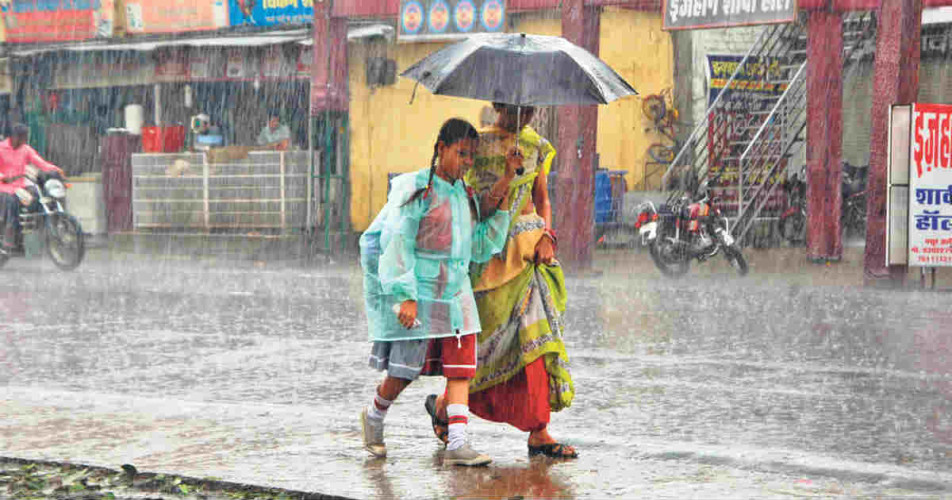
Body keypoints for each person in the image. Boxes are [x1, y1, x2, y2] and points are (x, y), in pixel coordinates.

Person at [358, 118, 521, 466]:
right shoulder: (416, 190)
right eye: (461, 153)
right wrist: (406, 295)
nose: (466, 162)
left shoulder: (464, 194)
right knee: (403, 372)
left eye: (471, 156)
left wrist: (508, 181)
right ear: (441, 148)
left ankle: (458, 443)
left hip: (456, 295)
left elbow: (477, 245)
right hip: (422, 290)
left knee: (461, 367)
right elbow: (396, 242)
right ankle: (373, 417)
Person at [424, 103, 578, 459]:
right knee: (484, 347)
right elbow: (472, 203)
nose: (523, 118)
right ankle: (446, 406)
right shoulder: (477, 147)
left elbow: (542, 198)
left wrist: (547, 236)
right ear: (497, 106)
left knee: (534, 341)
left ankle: (539, 430)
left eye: (529, 111)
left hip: (528, 259)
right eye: (515, 110)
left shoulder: (536, 146)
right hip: (487, 257)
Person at [0, 124, 64, 254]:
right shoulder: (1, 149)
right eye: (23, 137)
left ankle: (39, 225)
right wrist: (3, 177)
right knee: (11, 202)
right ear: (14, 136)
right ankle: (9, 235)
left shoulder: (25, 149)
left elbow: (40, 162)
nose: (25, 141)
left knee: (38, 194)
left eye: (25, 138)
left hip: (20, 186)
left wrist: (55, 170)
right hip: (4, 187)